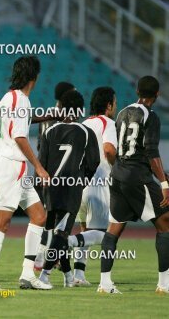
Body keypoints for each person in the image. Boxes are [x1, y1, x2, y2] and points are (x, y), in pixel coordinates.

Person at [0, 56, 50, 290]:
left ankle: (28, 274)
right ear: (34, 77)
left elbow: (16, 127)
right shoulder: (21, 101)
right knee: (1, 222)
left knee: (39, 216)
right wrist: (38, 166)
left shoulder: (10, 97)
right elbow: (19, 136)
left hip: (11, 165)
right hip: (13, 165)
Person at [98, 76, 169, 294]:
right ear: (156, 95)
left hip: (117, 175)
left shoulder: (121, 113)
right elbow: (150, 152)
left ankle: (105, 283)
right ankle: (164, 285)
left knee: (113, 229)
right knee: (165, 223)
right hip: (137, 176)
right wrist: (164, 182)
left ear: (137, 91)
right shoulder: (151, 116)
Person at [37, 90, 100, 288]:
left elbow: (42, 164)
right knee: (61, 234)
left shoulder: (49, 131)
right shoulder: (86, 132)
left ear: (61, 108)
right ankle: (44, 275)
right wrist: (82, 181)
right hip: (70, 189)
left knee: (59, 233)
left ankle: (68, 276)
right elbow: (94, 162)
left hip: (51, 188)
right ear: (80, 110)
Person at [68, 87, 117, 286]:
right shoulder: (108, 123)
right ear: (108, 105)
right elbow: (109, 149)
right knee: (104, 234)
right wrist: (118, 165)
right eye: (114, 102)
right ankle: (67, 242)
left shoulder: (84, 123)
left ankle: (79, 275)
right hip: (99, 182)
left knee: (84, 228)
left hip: (78, 184)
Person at [34, 81, 76, 270]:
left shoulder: (46, 115)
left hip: (40, 169)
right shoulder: (64, 118)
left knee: (47, 217)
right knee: (56, 219)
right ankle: (46, 258)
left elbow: (40, 146)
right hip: (55, 174)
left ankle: (46, 256)